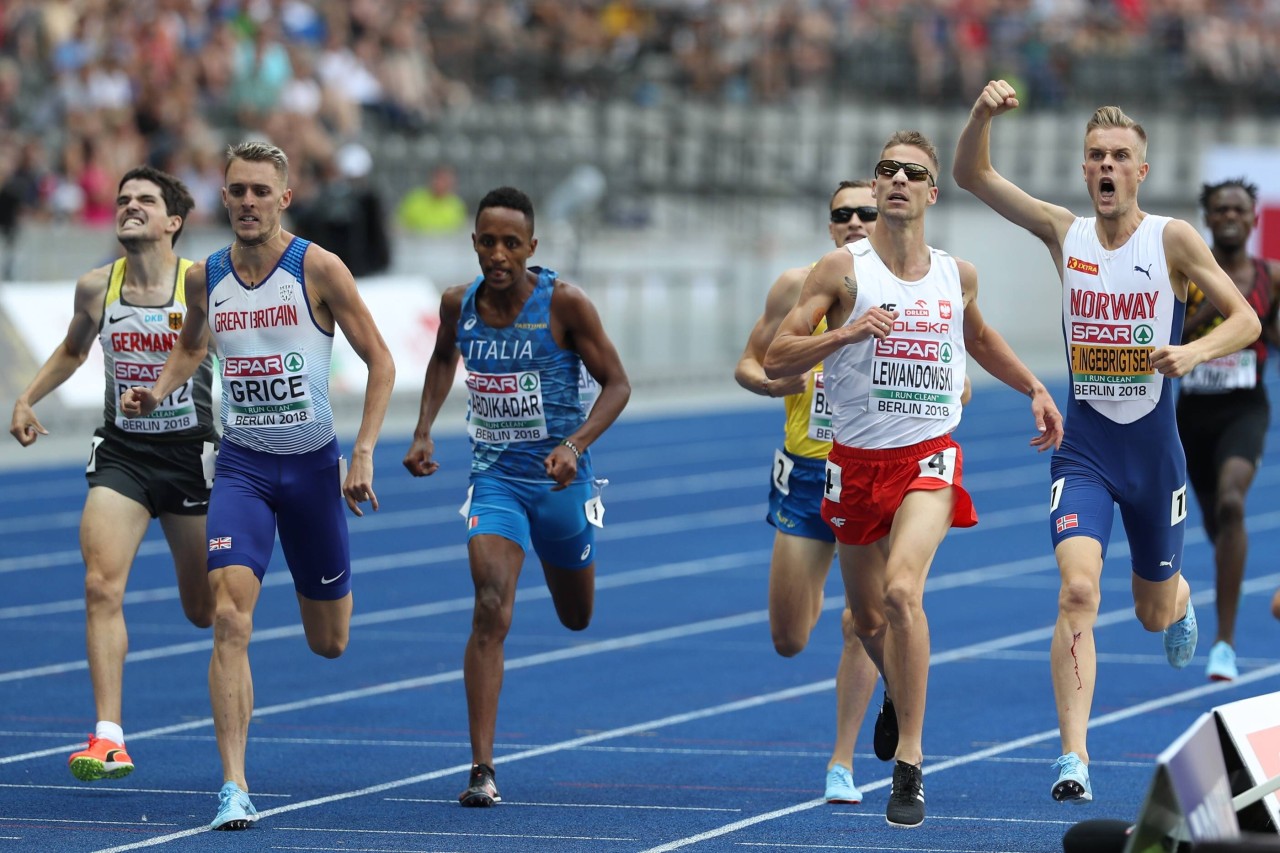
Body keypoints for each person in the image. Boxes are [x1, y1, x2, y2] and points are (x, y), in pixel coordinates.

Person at [953, 80, 1261, 805]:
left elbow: (1245, 319)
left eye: (1120, 156)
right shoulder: (1066, 232)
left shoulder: (1172, 239)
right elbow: (972, 176)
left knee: (1152, 612)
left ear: (1141, 172)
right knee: (1078, 589)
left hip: (1154, 457)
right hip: (1086, 449)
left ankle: (1179, 594)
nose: (1107, 167)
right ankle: (1074, 755)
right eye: (1096, 155)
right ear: (1084, 166)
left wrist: (1191, 352)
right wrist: (981, 116)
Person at [764, 131, 1063, 828]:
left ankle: (911, 762)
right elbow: (779, 354)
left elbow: (980, 337)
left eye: (913, 172)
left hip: (927, 460)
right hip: (852, 465)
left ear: (932, 192)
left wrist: (1034, 389)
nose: (897, 180)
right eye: (887, 170)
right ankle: (901, 691)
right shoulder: (842, 270)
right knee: (867, 617)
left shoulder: (955, 274)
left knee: (903, 591)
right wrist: (842, 334)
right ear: (876, 185)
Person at [120, 141, 395, 830]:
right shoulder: (205, 275)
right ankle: (234, 784)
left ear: (284, 196)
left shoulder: (318, 268)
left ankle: (243, 765)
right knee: (229, 615)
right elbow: (191, 347)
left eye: (259, 192)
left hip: (310, 469)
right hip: (241, 468)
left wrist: (361, 451)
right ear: (224, 194)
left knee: (328, 640)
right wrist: (155, 392)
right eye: (236, 190)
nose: (246, 202)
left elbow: (383, 360)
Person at [402, 186, 631, 808]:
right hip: (496, 478)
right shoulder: (459, 303)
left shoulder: (565, 303)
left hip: (560, 482)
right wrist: (423, 429)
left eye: (510, 243)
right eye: (486, 241)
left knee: (576, 615)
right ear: (473, 242)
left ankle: (574, 559)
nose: (497, 253)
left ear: (532, 246)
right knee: (490, 605)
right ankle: (482, 769)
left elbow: (617, 384)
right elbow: (443, 358)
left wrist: (575, 445)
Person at [9, 165, 214, 783]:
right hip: (122, 454)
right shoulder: (97, 287)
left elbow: (207, 348)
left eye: (145, 201)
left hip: (189, 455)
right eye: (123, 199)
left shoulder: (200, 284)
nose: (129, 207)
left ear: (173, 221)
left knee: (203, 610)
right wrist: (27, 398)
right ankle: (108, 736)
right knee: (101, 585)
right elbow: (74, 349)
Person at [734, 179, 883, 805]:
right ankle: (825, 584)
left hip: (876, 472)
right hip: (805, 475)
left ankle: (842, 762)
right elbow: (749, 362)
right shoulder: (795, 288)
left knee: (863, 621)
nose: (854, 221)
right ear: (830, 227)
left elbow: (955, 385)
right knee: (789, 636)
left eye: (865, 212)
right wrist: (773, 387)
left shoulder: (917, 289)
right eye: (842, 214)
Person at [1177, 178, 1280, 682]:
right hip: (1193, 414)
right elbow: (1164, 337)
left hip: (1245, 409)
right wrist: (1210, 310)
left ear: (1254, 218)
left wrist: (1255, 321)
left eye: (1239, 208)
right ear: (1209, 219)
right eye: (1220, 209)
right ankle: (1228, 565)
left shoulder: (1271, 277)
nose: (1230, 216)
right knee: (1219, 527)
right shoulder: (1187, 275)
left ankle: (1225, 644)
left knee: (1232, 503)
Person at [397, 164, 467, 234]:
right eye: (438, 178)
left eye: (445, 180)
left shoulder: (457, 205)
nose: (441, 183)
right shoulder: (414, 199)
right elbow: (398, 225)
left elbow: (459, 231)